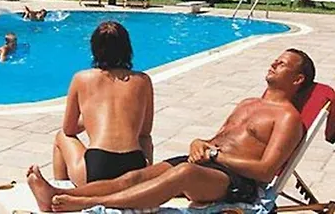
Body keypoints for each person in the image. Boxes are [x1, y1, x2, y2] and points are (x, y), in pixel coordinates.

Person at [27, 48, 315, 212]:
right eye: (275, 59)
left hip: (235, 182)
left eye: (282, 64)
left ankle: (88, 204)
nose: (273, 63)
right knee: (136, 175)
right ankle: (57, 194)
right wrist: (199, 143)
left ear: (298, 79)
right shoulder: (248, 103)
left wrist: (213, 155)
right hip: (207, 164)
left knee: (183, 173)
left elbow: (265, 171)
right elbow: (218, 140)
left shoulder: (287, 118)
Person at [31, 21, 153, 192]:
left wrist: (90, 119)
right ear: (127, 48)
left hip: (97, 166)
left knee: (61, 137)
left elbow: (69, 130)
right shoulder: (143, 80)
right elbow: (145, 133)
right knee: (146, 140)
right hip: (134, 166)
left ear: (94, 48)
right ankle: (145, 182)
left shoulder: (81, 78)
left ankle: (61, 192)